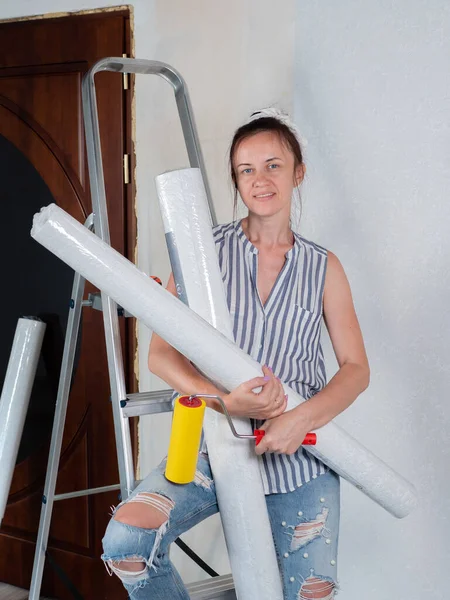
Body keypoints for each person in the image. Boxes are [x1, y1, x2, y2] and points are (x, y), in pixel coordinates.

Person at [101, 108, 370, 599]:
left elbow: (355, 370)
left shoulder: (323, 267)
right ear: (235, 180)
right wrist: (225, 402)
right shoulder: (203, 253)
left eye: (273, 165)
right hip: (216, 447)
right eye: (246, 170)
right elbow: (160, 356)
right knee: (127, 543)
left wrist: (298, 419)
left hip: (302, 459)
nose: (260, 180)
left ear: (298, 173)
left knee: (310, 593)